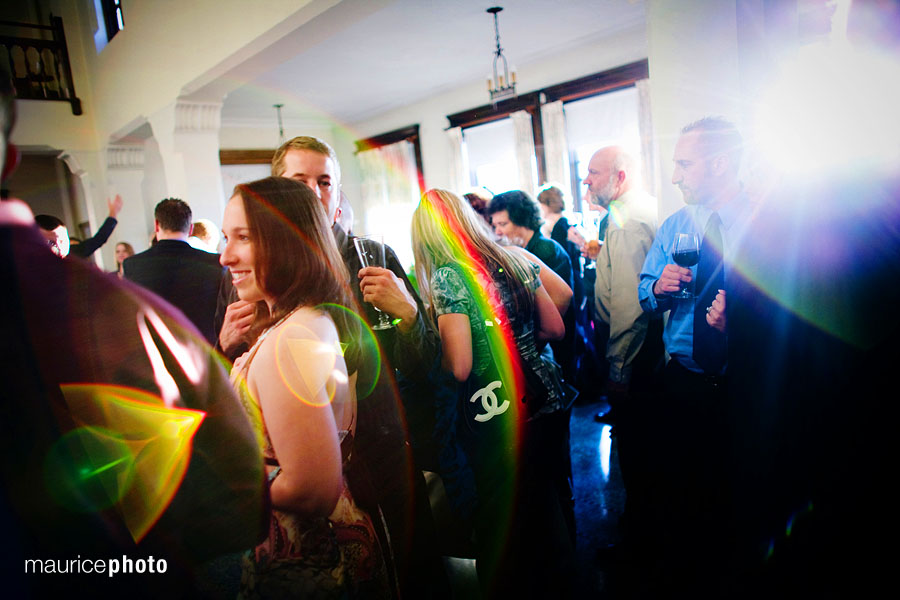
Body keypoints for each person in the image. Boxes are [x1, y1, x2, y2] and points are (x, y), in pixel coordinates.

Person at [0, 64, 266, 597]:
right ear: (10, 156)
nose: (233, 254)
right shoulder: (111, 309)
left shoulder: (132, 274)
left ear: (156, 226)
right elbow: (232, 496)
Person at [215, 135, 445, 598]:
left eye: (325, 182)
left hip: (382, 456)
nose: (315, 193)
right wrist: (224, 347)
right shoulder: (245, 275)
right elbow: (241, 388)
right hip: (297, 482)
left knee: (411, 575)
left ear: (338, 193)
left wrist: (410, 318)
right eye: (300, 181)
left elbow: (422, 366)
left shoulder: (373, 257)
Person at [221, 176, 389, 598]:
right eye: (227, 238)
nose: (225, 255)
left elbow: (313, 488)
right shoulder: (295, 321)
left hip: (311, 560)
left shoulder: (295, 335)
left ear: (286, 240)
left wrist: (223, 478)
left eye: (243, 237)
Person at [412, 188, 574, 599]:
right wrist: (518, 345)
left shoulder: (449, 274)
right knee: (549, 499)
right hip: (549, 397)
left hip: (498, 411)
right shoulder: (513, 255)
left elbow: (461, 365)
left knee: (503, 521)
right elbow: (556, 328)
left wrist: (431, 345)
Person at [636, 117, 750, 595]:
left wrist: (742, 326)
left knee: (741, 492)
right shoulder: (675, 227)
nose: (676, 175)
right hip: (682, 380)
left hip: (747, 383)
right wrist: (658, 288)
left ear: (719, 163)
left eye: (685, 163)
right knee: (684, 490)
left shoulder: (768, 220)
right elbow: (644, 295)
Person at [487, 190, 577, 387]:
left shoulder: (543, 250)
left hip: (556, 344)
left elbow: (561, 300)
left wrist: (535, 343)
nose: (498, 232)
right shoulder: (530, 250)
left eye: (503, 224)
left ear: (523, 221)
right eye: (495, 225)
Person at [124, 198, 224, 345]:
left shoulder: (132, 265)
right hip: (205, 350)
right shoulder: (216, 262)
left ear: (157, 225)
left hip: (158, 351)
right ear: (190, 229)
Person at [35, 194, 123, 259]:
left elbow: (99, 239)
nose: (59, 247)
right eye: (51, 242)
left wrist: (113, 213)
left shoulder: (74, 254)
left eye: (62, 241)